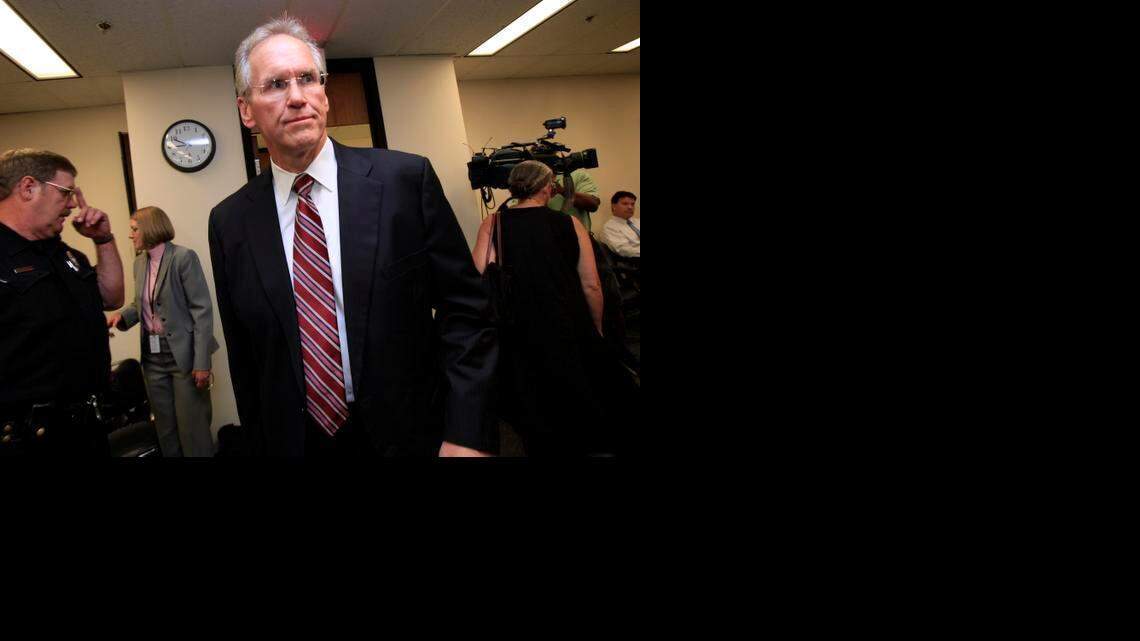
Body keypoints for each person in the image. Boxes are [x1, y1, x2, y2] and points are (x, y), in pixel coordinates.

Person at [208, 16, 498, 456]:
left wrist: (465, 433)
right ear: (247, 110)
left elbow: (466, 315)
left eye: (308, 78)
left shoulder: (404, 180)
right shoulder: (229, 222)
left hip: (411, 434)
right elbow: (246, 358)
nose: (297, 97)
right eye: (275, 85)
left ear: (325, 92)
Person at [473, 161, 626, 456]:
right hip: (567, 321)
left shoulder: (494, 223)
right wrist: (596, 327)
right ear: (547, 187)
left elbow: (478, 273)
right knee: (579, 395)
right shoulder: (570, 223)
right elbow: (591, 285)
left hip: (518, 327)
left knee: (532, 401)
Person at [0, 148, 124, 456]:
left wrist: (103, 239)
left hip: (85, 428)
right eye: (66, 192)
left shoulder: (65, 254)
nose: (72, 204)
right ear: (28, 188)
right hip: (29, 436)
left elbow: (111, 297)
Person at [108, 206, 219, 457]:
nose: (130, 235)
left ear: (150, 228)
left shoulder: (183, 258)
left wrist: (202, 362)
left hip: (184, 358)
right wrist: (120, 317)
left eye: (134, 229)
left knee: (193, 428)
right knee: (165, 430)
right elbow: (142, 303)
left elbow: (201, 310)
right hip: (153, 359)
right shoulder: (139, 263)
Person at [602, 191, 640, 260]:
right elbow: (624, 250)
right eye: (625, 204)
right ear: (613, 206)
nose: (630, 207)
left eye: (632, 204)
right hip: (634, 262)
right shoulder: (610, 227)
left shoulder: (638, 221)